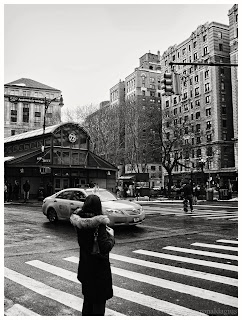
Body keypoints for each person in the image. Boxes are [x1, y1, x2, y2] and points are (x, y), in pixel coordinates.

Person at [70, 194, 115, 316]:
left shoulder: (79, 222)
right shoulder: (99, 224)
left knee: (88, 302)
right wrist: (111, 237)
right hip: (98, 271)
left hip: (85, 268)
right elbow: (104, 247)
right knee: (99, 305)